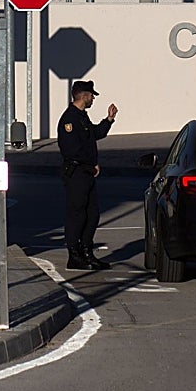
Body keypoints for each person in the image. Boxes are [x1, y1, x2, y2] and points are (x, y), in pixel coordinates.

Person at [57, 80, 118, 270]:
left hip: (87, 173)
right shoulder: (69, 119)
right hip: (77, 173)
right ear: (84, 96)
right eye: (91, 95)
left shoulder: (82, 117)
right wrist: (90, 165)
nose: (93, 99)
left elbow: (94, 134)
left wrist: (108, 120)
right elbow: (72, 150)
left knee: (92, 214)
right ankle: (74, 255)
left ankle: (87, 252)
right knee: (77, 215)